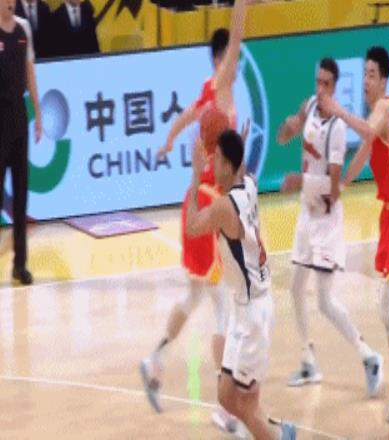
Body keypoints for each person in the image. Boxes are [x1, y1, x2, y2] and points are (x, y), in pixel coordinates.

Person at [140, 0, 251, 434]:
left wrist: (169, 141)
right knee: (224, 308)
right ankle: (225, 407)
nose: (237, 63)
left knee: (197, 296)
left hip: (200, 202)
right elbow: (237, 37)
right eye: (231, 58)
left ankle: (155, 360)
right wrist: (242, 5)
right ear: (221, 60)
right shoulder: (221, 83)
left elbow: (187, 116)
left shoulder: (210, 92)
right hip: (207, 204)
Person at [320, 46, 389, 420]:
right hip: (388, 218)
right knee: (387, 306)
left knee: (386, 305)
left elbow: (365, 129)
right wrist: (341, 185)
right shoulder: (375, 117)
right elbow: (363, 151)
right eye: (363, 73)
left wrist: (337, 110)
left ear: (384, 80)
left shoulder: (386, 110)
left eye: (372, 74)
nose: (365, 80)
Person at [277, 57, 383, 394]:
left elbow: (335, 190)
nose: (320, 88)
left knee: (323, 301)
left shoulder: (337, 129)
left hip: (326, 219)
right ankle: (308, 360)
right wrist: (287, 128)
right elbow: (286, 134)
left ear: (334, 87)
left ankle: (369, 356)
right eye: (317, 82)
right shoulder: (309, 106)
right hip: (307, 214)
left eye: (326, 84)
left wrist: (301, 181)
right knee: (295, 288)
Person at [186, 128, 297, 440]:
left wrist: (195, 175)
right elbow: (243, 169)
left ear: (228, 165)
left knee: (246, 406)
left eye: (217, 159)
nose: (212, 165)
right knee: (226, 397)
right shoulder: (248, 183)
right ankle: (280, 433)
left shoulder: (224, 207)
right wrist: (239, 146)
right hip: (245, 308)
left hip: (253, 314)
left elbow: (192, 226)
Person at [0, 0, 42, 285]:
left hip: (18, 117)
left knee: (21, 193)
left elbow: (30, 72)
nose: (10, 3)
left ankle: (20, 264)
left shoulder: (23, 28)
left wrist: (37, 113)